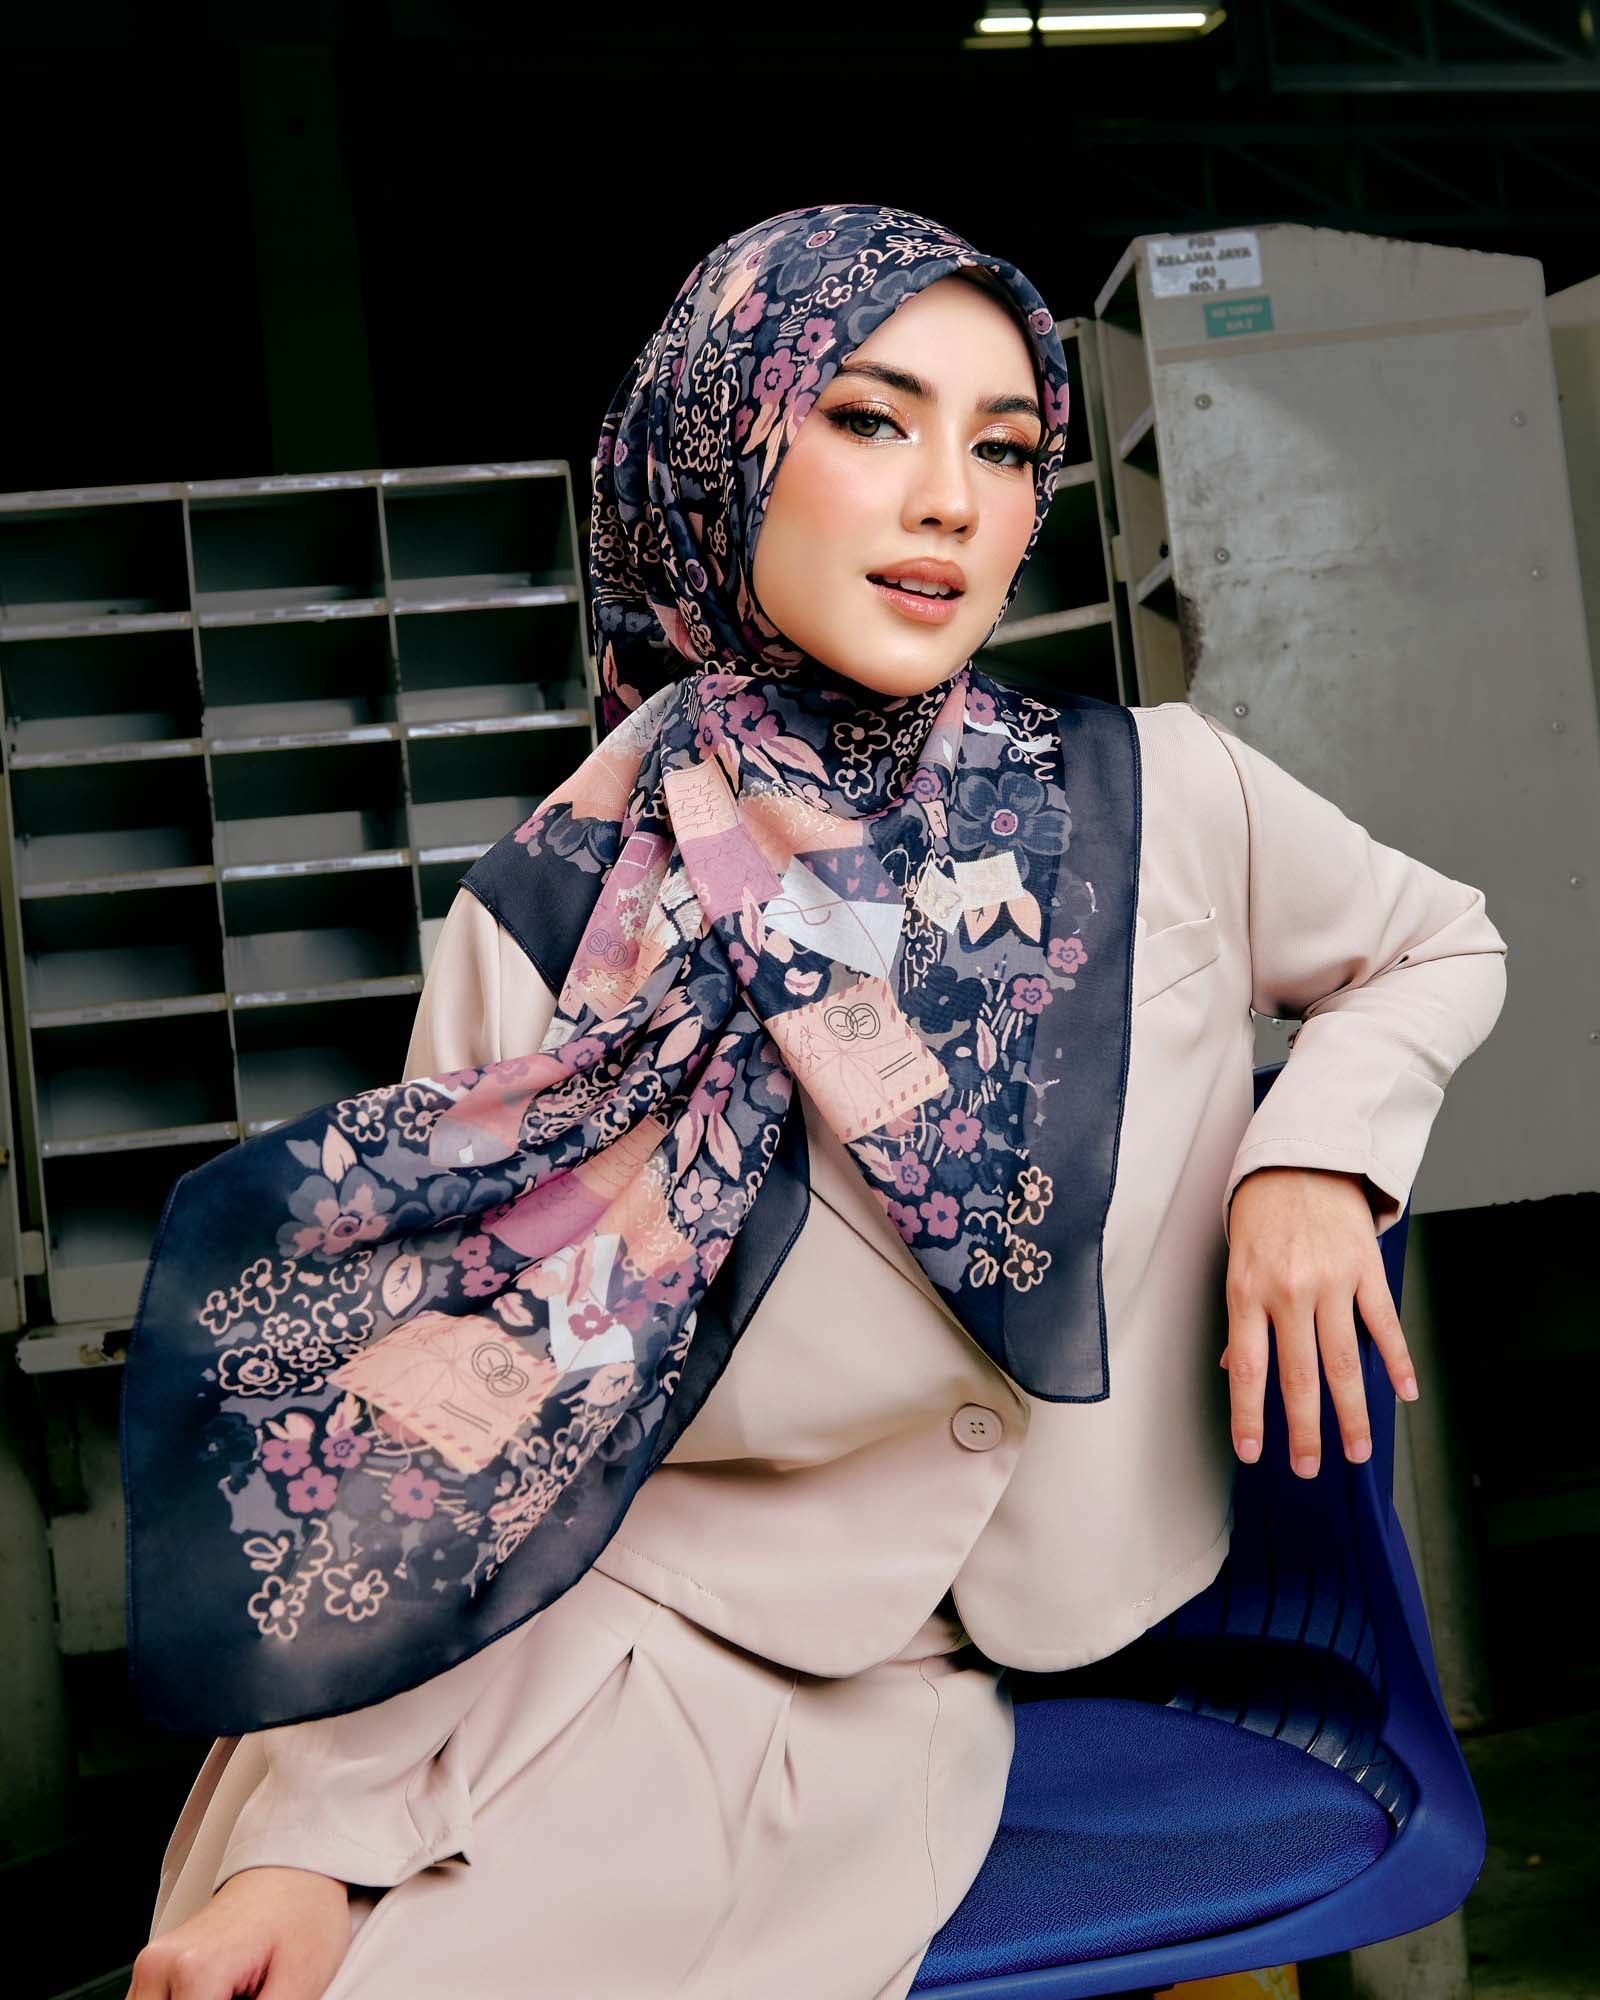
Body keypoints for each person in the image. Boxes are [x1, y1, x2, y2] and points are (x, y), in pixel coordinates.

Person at [126, 202, 1508, 2000]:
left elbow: (1436, 942)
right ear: (719, 455)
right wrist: (312, 1848)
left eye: (1000, 449)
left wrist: (1312, 1162)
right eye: (869, 419)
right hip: (677, 1633)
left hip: (1100, 1602)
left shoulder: (1160, 794)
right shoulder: (552, 916)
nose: (950, 501)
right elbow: (447, 1428)